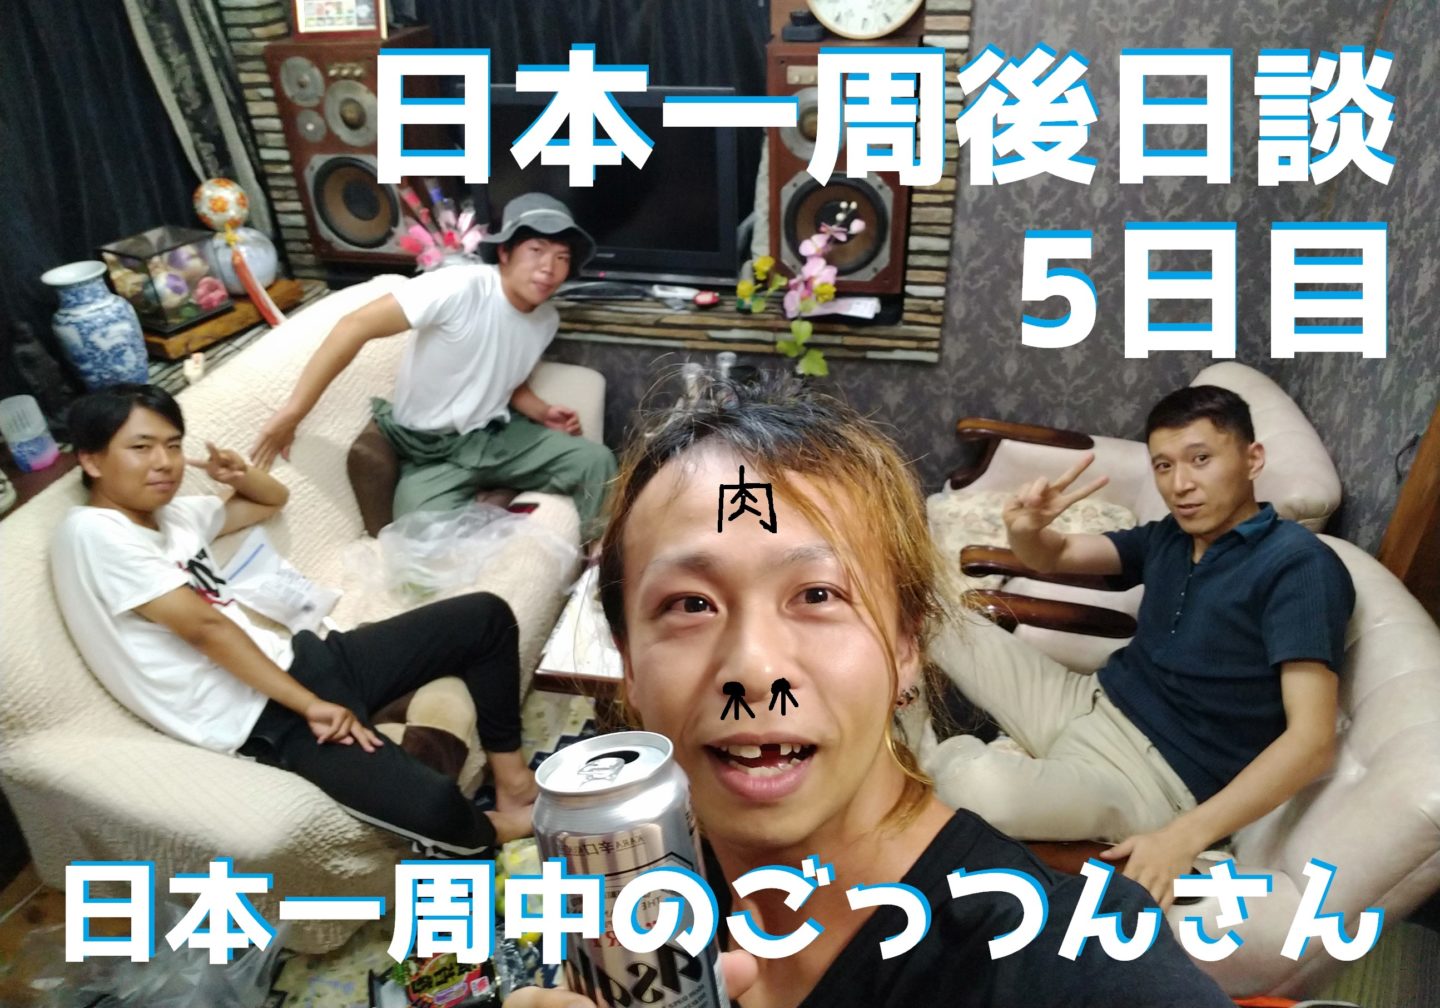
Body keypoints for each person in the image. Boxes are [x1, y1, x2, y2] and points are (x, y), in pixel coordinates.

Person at [508, 376, 1232, 1007]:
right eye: (691, 604)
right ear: (628, 664)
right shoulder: (637, 886)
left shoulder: (1076, 960)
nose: (754, 668)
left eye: (818, 594)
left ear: (909, 645)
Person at [51, 384, 536, 858]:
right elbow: (205, 629)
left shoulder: (171, 516)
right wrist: (310, 705)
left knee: (484, 616)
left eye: (173, 445)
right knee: (432, 804)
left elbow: (270, 500)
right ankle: (494, 828)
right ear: (91, 461)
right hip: (264, 718)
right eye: (141, 447)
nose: (164, 462)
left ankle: (512, 780)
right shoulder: (94, 533)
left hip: (304, 660)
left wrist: (239, 475)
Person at [923, 384, 1355, 910]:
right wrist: (1026, 530)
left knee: (973, 785)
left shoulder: (1299, 566)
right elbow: (1055, 555)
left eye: (1200, 459)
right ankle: (935, 754)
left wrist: (1184, 836)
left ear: (1252, 459)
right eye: (1164, 466)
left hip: (1154, 779)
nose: (1181, 484)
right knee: (933, 618)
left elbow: (1312, 741)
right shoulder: (1172, 536)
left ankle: (933, 761)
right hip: (1086, 699)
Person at [250, 192, 617, 541]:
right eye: (536, 250)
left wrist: (542, 411)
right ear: (505, 252)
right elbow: (354, 326)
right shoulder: (459, 287)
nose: (548, 268)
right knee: (417, 542)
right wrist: (293, 412)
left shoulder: (546, 319)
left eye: (562, 257)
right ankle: (489, 498)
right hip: (430, 451)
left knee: (596, 461)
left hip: (494, 437)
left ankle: (598, 562)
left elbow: (504, 376)